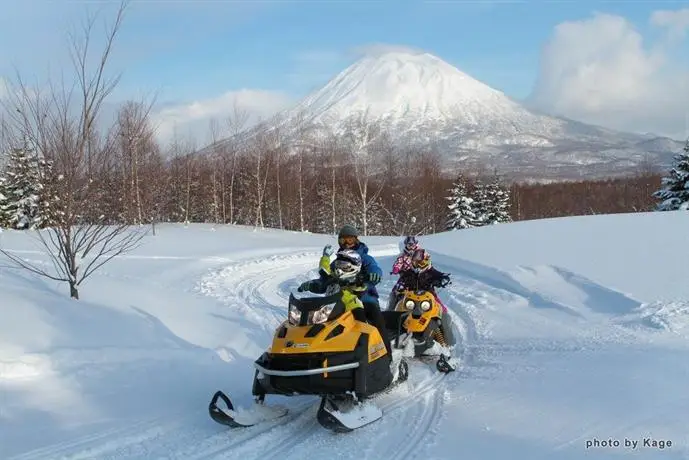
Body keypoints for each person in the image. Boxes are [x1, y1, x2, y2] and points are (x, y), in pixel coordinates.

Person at [298, 224, 391, 355]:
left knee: (376, 320)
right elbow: (326, 280)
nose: (346, 243)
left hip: (365, 297)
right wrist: (312, 284)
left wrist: (375, 274)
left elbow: (374, 268)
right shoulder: (337, 261)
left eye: (350, 240)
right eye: (343, 240)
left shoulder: (365, 258)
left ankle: (387, 357)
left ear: (356, 240)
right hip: (338, 300)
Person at [387, 236, 421, 310]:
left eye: (413, 244)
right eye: (409, 245)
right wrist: (396, 268)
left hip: (419, 277)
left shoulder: (421, 254)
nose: (411, 247)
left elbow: (426, 262)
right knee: (396, 290)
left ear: (416, 244)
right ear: (406, 245)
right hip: (405, 278)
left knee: (427, 291)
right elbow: (398, 262)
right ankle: (391, 309)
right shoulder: (403, 256)